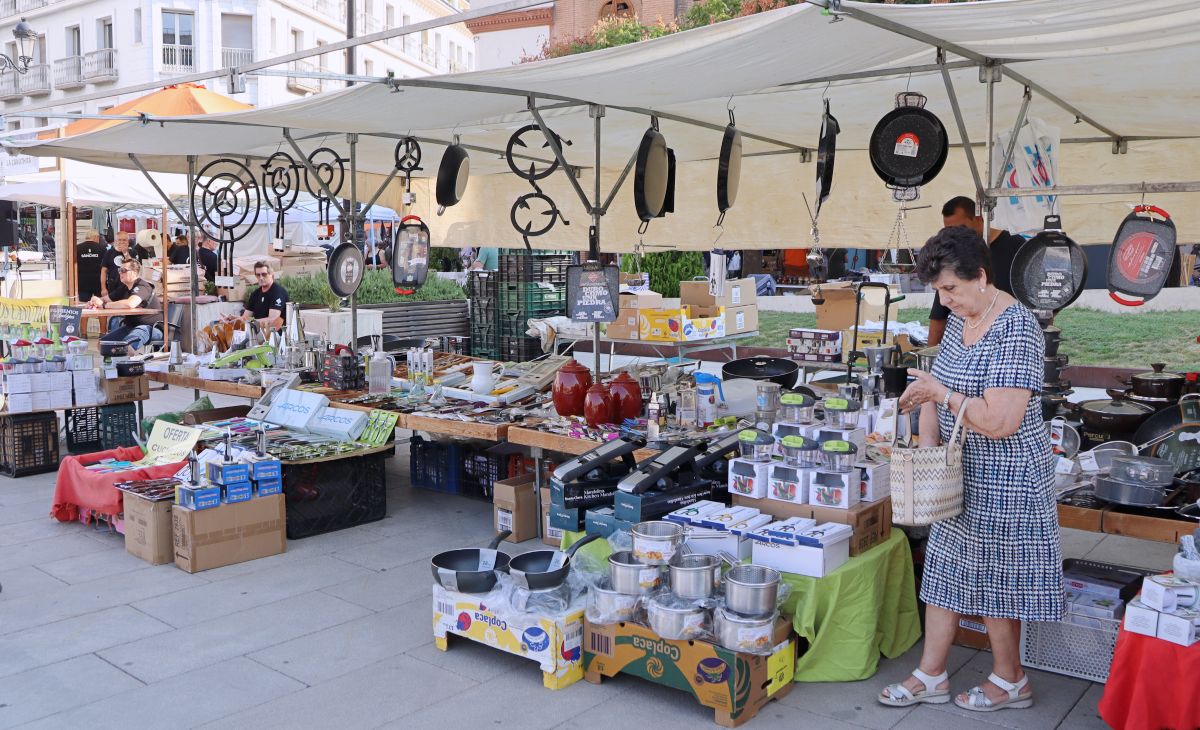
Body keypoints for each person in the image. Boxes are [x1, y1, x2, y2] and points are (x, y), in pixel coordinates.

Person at [879, 226, 1059, 714]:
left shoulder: (1016, 327)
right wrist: (927, 441)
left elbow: (1000, 421)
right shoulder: (962, 322)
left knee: (997, 582)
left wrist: (941, 395)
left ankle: (1011, 679)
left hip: (1009, 476)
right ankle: (930, 673)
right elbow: (942, 383)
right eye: (939, 291)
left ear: (980, 277)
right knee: (943, 572)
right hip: (960, 473)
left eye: (951, 289)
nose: (945, 300)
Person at [926, 196, 1026, 347]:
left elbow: (1042, 299)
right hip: (968, 341)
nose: (955, 236)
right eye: (949, 231)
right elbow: (939, 315)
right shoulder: (954, 254)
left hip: (1013, 337)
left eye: (961, 228)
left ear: (979, 219)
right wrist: (930, 353)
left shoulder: (1017, 247)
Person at [91, 259, 164, 353]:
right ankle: (114, 365)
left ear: (134, 272)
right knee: (103, 344)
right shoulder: (124, 287)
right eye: (119, 270)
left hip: (151, 328)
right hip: (131, 326)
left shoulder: (143, 286)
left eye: (124, 270)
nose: (120, 273)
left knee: (126, 346)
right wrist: (95, 301)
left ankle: (130, 366)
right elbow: (105, 299)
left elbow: (130, 303)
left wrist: (105, 305)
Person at [241, 261, 288, 331]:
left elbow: (272, 321)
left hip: (276, 335)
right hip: (259, 333)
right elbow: (245, 318)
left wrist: (252, 322)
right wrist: (233, 320)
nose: (261, 278)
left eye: (264, 274)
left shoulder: (278, 292)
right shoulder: (255, 294)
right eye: (258, 275)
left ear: (271, 274)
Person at [99, 231, 132, 298]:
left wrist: (125, 253)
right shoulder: (109, 253)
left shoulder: (133, 252)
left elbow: (132, 267)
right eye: (119, 240)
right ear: (115, 241)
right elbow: (103, 271)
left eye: (124, 240)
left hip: (128, 287)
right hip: (113, 287)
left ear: (128, 242)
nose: (122, 242)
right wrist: (103, 288)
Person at [76, 230, 106, 302]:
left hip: (82, 282)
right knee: (99, 304)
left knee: (84, 305)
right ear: (96, 237)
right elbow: (105, 267)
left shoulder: (77, 248)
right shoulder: (102, 248)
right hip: (98, 282)